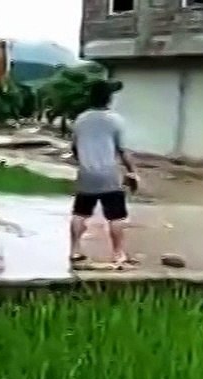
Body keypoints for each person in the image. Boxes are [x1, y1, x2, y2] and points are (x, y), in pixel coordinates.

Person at [69, 81, 138, 266]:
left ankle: (75, 250)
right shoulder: (115, 120)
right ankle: (117, 253)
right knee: (116, 217)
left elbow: (74, 147)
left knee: (80, 213)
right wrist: (132, 173)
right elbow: (123, 150)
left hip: (86, 174)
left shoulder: (80, 119)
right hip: (108, 174)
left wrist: (84, 161)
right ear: (109, 98)